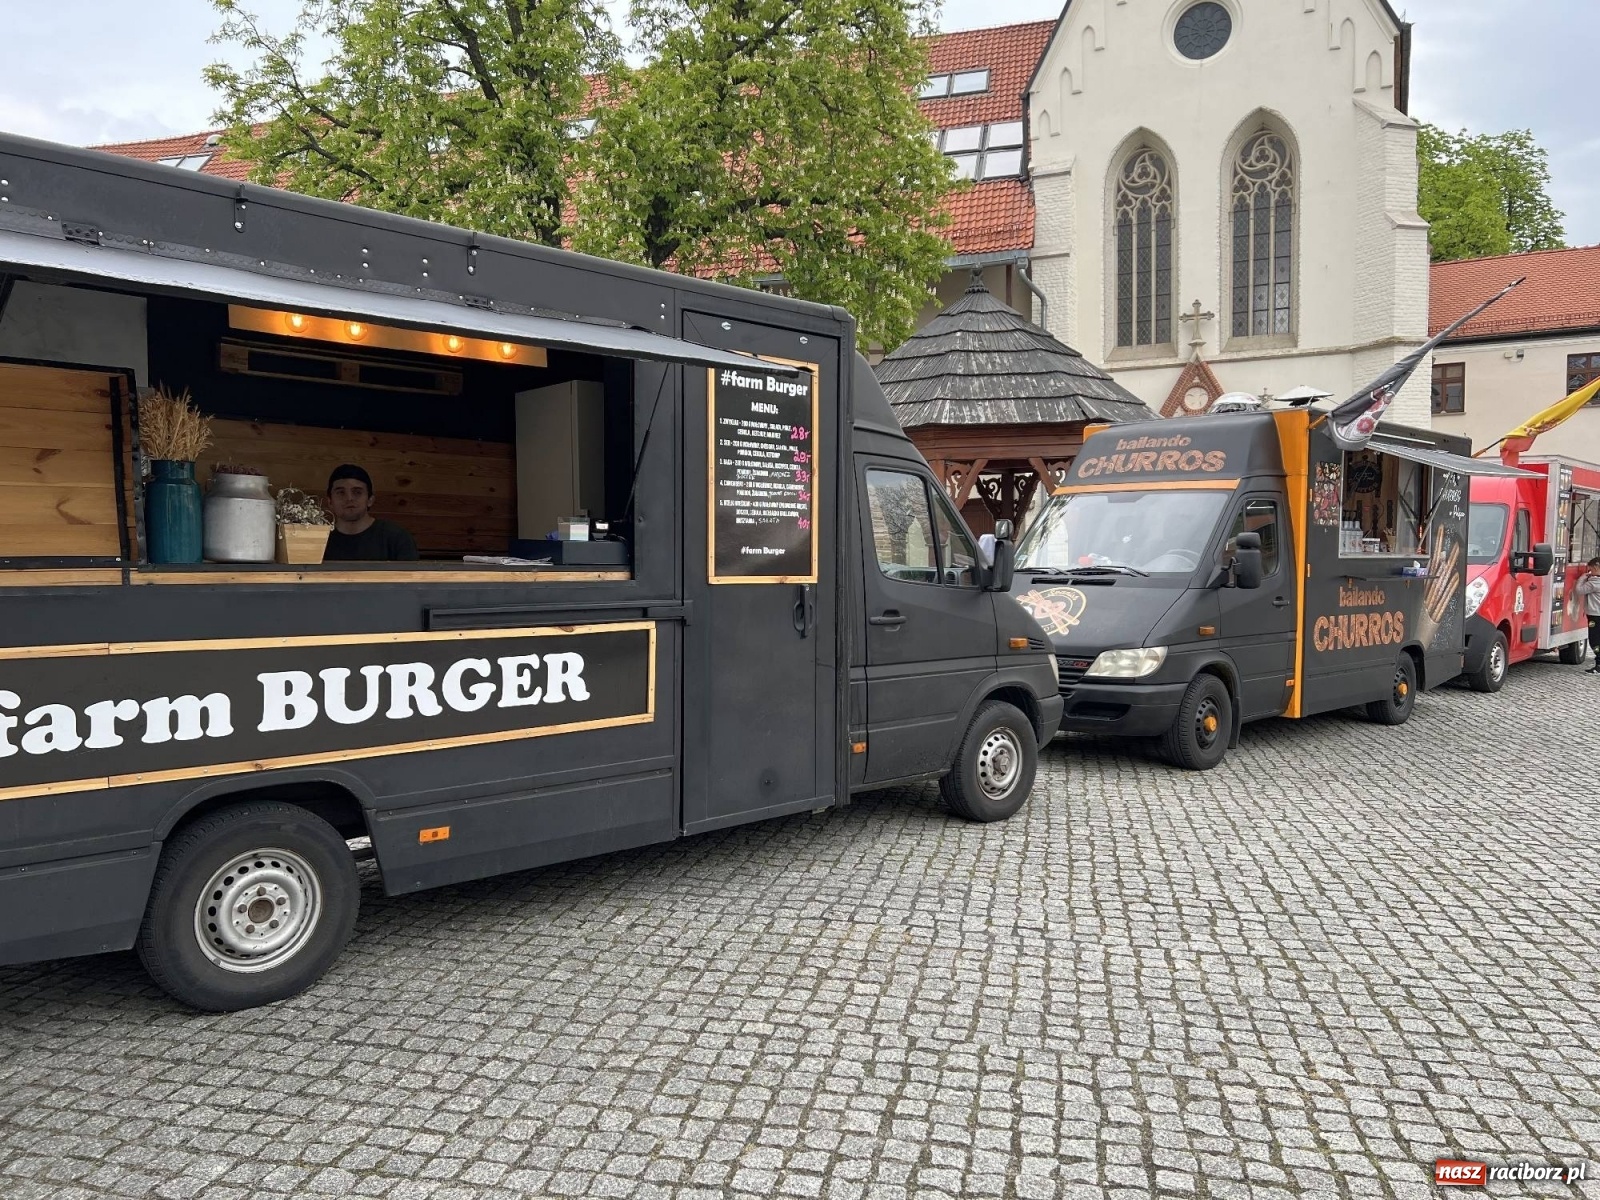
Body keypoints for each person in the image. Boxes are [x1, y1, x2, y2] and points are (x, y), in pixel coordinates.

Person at [322, 464, 419, 562]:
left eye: (357, 492)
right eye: (341, 493)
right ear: (330, 501)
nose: (349, 498)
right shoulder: (319, 541)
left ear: (370, 500)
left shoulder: (396, 538)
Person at [1576, 556, 1600, 673]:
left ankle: (1599, 665)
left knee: (1594, 640)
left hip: (1595, 615)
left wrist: (1582, 578)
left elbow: (1579, 590)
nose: (1589, 572)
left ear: (1596, 567)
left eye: (1590, 570)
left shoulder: (1594, 582)